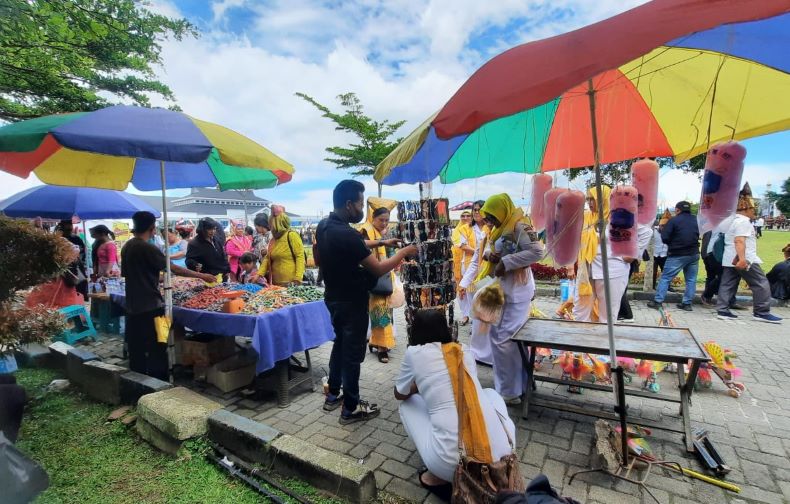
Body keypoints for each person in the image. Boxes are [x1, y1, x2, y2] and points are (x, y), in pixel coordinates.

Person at [315, 180, 415, 424]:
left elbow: (356, 246)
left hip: (334, 298)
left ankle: (333, 395)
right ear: (349, 205)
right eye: (361, 203)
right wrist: (404, 252)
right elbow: (379, 268)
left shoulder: (325, 226)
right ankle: (350, 408)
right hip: (352, 302)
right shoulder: (347, 233)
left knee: (340, 345)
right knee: (352, 355)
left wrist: (382, 242)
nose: (363, 208)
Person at [395, 309, 516, 499]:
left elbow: (399, 394)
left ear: (414, 332)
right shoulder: (464, 350)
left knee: (408, 404)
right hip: (503, 457)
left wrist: (419, 386)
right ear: (446, 329)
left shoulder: (414, 353)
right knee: (489, 394)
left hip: (453, 466)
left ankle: (436, 476)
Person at [459, 194, 544, 404]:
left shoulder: (520, 226)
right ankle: (513, 385)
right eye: (488, 219)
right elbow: (492, 248)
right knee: (501, 338)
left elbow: (537, 252)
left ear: (501, 211)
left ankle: (510, 392)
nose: (490, 222)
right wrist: (491, 256)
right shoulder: (500, 228)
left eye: (492, 218)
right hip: (503, 289)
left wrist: (507, 261)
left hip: (517, 292)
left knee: (505, 339)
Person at [122, 211, 216, 380]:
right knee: (160, 344)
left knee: (136, 349)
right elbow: (174, 268)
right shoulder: (148, 248)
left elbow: (137, 274)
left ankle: (137, 382)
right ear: (152, 228)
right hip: (153, 308)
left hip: (132, 308)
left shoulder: (127, 247)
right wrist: (203, 276)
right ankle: (161, 383)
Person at [716, 190, 782, 323]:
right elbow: (739, 240)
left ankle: (722, 309)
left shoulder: (730, 220)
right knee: (761, 283)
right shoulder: (743, 222)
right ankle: (761, 312)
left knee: (728, 284)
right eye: (753, 209)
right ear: (746, 209)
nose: (754, 212)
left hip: (729, 257)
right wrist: (741, 259)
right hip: (744, 258)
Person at [359, 199, 398, 363]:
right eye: (380, 220)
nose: (383, 223)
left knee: (384, 312)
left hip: (385, 277)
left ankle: (376, 341)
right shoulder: (366, 231)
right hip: (374, 279)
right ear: (372, 219)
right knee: (379, 312)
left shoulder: (382, 233)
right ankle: (382, 348)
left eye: (386, 220)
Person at [648, 201, 700, 312]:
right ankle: (687, 304)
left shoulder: (674, 220)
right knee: (691, 280)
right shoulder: (696, 220)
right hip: (694, 254)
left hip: (677, 254)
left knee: (666, 278)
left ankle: (658, 301)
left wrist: (673, 243)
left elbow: (665, 237)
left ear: (677, 210)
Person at [573, 186, 611, 322]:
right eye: (588, 199)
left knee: (606, 314)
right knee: (580, 309)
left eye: (593, 199)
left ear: (603, 199)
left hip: (605, 272)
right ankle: (580, 340)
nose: (589, 203)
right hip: (585, 270)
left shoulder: (613, 219)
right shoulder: (584, 217)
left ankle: (600, 342)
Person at [462, 200, 493, 365]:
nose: (476, 213)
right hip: (478, 276)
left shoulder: (498, 232)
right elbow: (476, 259)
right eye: (474, 210)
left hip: (494, 280)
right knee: (478, 316)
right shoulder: (481, 232)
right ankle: (478, 353)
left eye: (480, 210)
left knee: (489, 318)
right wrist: (463, 283)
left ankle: (488, 355)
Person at [258, 205, 305, 286]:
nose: (270, 227)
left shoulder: (292, 235)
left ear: (278, 223)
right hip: (275, 283)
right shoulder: (274, 239)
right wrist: (259, 274)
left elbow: (300, 257)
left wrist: (297, 278)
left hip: (291, 283)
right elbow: (267, 258)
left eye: (271, 223)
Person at [452, 210, 476, 326]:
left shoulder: (474, 230)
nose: (465, 217)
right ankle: (465, 314)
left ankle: (474, 316)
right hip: (458, 264)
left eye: (468, 215)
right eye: (463, 215)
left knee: (471, 289)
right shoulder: (456, 231)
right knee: (460, 290)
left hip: (471, 263)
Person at [56, 219, 88, 300]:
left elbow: (82, 254)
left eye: (71, 225)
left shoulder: (76, 238)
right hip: (61, 270)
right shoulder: (58, 239)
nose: (70, 227)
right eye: (68, 225)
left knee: (78, 291)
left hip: (76, 269)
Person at [652, 211, 670, 290]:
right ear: (659, 225)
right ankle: (652, 286)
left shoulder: (669, 232)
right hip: (654, 254)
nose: (663, 228)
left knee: (666, 272)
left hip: (664, 255)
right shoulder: (653, 231)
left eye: (665, 226)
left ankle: (668, 287)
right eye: (662, 226)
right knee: (653, 272)